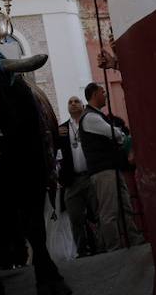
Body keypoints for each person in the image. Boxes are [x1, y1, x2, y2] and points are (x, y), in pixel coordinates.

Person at [81, 83, 142, 252]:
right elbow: (114, 133)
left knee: (125, 207)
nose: (105, 94)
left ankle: (135, 240)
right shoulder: (91, 117)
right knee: (109, 212)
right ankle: (114, 248)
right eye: (102, 92)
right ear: (94, 94)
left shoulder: (96, 116)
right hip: (103, 171)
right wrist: (121, 136)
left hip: (111, 168)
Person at [57, 95, 97, 257]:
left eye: (76, 101)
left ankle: (101, 245)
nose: (73, 104)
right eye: (70, 102)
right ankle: (82, 250)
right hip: (72, 181)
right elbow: (55, 153)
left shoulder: (90, 123)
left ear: (83, 105)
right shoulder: (62, 129)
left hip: (91, 176)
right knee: (75, 218)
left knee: (98, 214)